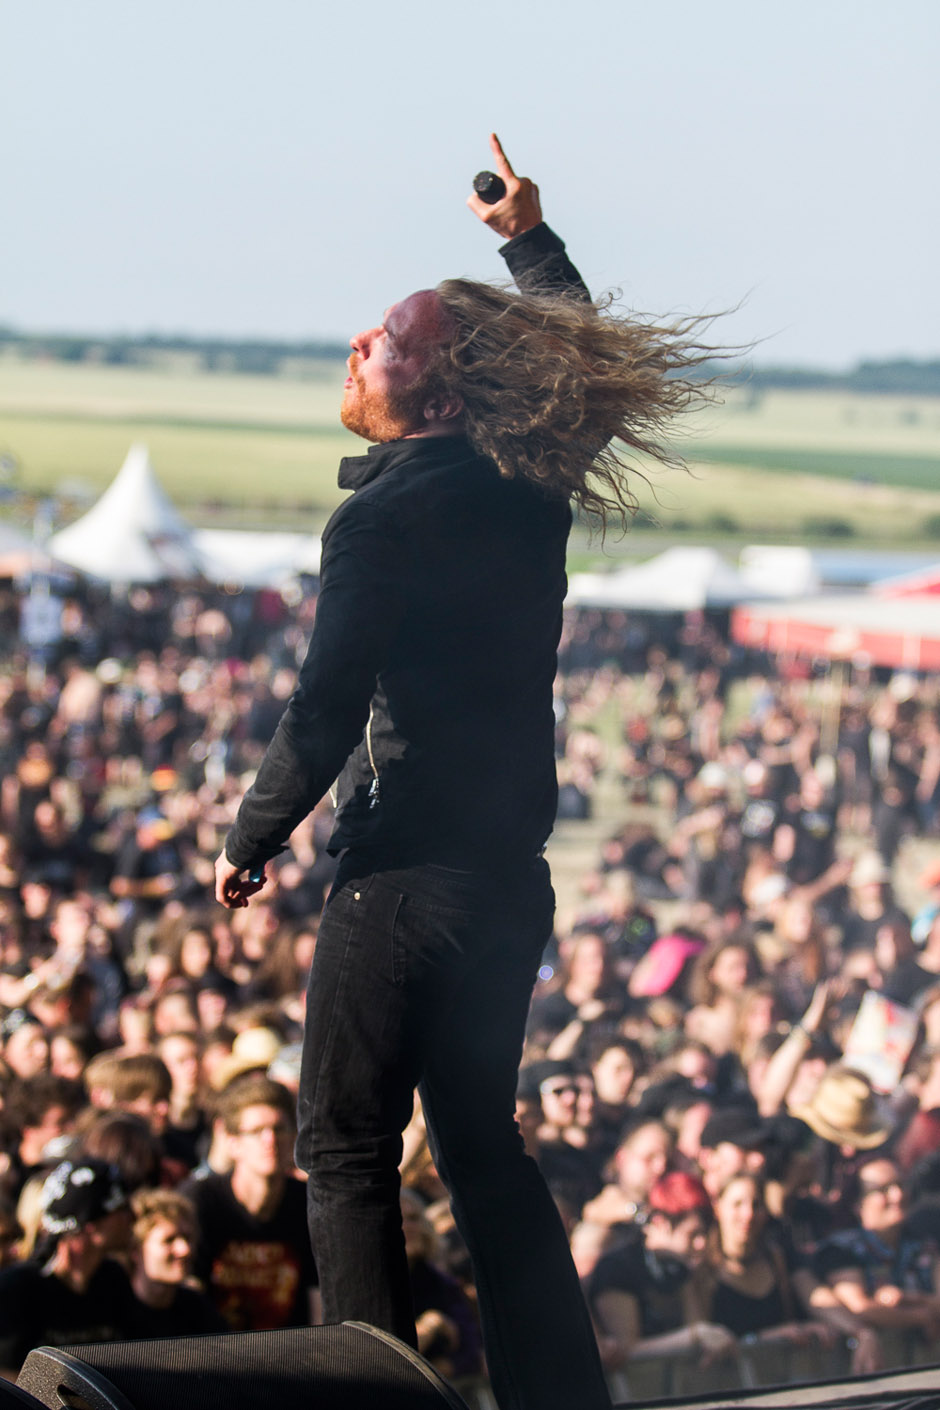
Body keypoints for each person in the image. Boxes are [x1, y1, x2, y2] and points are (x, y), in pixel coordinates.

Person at [215, 133, 715, 1410]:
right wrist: (528, 244)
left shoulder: (381, 515)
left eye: (385, 339)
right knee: (484, 1151)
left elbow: (325, 704)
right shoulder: (527, 481)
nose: (357, 343)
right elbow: (573, 367)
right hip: (506, 886)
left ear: (438, 397)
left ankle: (373, 1406)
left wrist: (251, 833)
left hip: (401, 882)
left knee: (345, 1153)